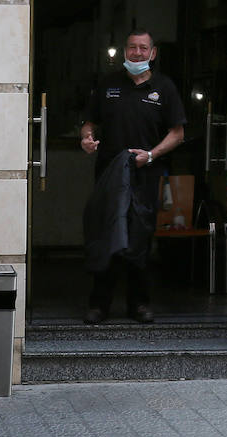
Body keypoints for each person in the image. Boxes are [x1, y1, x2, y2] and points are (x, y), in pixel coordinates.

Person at [80, 29, 187, 325]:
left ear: (153, 53)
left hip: (146, 175)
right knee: (106, 235)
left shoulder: (164, 88)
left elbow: (177, 133)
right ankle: (99, 305)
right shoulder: (108, 85)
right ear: (124, 51)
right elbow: (88, 124)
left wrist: (151, 155)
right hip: (110, 175)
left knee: (139, 239)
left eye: (143, 48)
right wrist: (87, 139)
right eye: (132, 48)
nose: (137, 53)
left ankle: (139, 304)